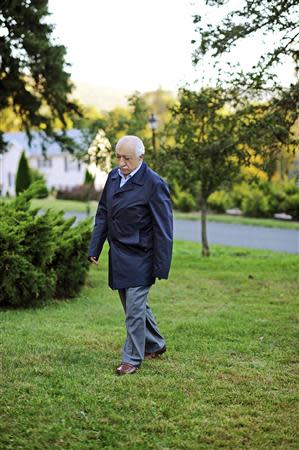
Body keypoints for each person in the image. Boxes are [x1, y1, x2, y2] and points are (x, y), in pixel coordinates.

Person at [88, 135, 173, 375]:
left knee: (134, 310)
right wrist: (95, 247)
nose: (122, 163)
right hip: (119, 255)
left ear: (141, 157)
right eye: (118, 157)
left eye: (127, 158)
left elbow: (163, 228)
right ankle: (156, 343)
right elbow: (103, 213)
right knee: (134, 307)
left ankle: (132, 358)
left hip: (142, 256)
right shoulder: (114, 177)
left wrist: (161, 265)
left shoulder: (154, 183)